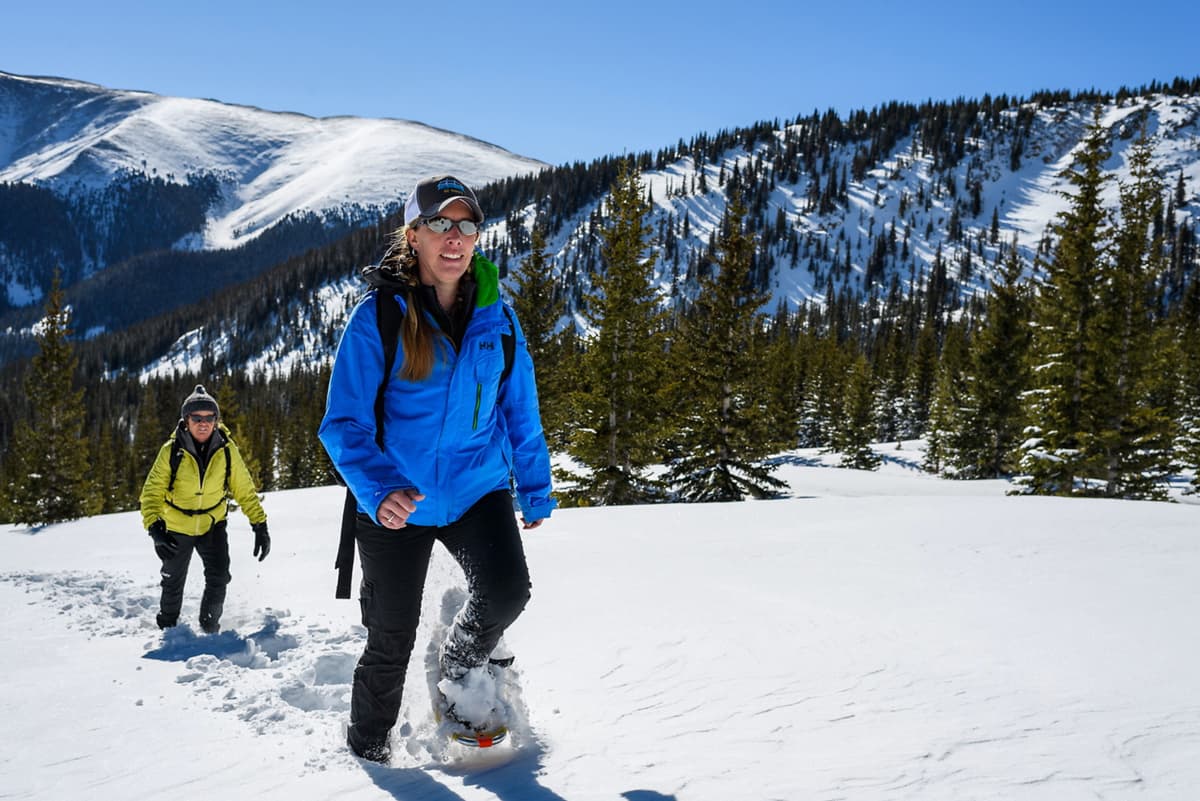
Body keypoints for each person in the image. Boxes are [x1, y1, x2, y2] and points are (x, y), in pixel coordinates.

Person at [319, 174, 556, 762]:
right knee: (389, 639)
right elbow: (342, 423)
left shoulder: (498, 318)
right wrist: (377, 490)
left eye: (466, 225)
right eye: (440, 225)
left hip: (478, 488)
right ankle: (367, 751)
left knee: (507, 593)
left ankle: (459, 661)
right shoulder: (378, 317)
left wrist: (533, 485)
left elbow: (519, 407)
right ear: (414, 234)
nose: (455, 238)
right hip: (401, 498)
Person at [140, 384, 270, 634]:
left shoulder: (227, 450)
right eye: (197, 418)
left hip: (212, 524)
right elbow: (151, 492)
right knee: (172, 580)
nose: (203, 423)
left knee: (219, 576)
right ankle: (168, 627)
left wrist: (259, 524)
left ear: (216, 421)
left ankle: (210, 626)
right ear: (186, 420)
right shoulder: (172, 451)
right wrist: (154, 527)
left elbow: (244, 489)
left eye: (209, 418)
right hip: (176, 526)